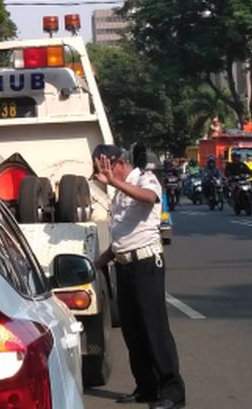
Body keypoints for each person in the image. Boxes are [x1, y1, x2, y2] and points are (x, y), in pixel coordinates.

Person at [92, 144, 186, 409]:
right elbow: (122, 236)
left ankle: (172, 391)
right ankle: (146, 387)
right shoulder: (119, 191)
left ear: (119, 163)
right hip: (123, 265)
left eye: (105, 167)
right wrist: (100, 262)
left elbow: (148, 197)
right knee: (133, 331)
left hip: (146, 264)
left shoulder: (145, 179)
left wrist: (115, 183)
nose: (103, 173)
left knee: (154, 329)